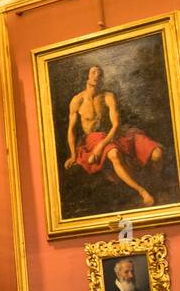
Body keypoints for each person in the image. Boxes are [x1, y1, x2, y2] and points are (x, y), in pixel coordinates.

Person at [65, 65, 163, 207]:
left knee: (157, 154)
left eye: (100, 73)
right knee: (114, 154)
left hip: (114, 135)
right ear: (87, 76)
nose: (96, 76)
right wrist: (73, 155)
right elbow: (71, 130)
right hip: (92, 138)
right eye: (93, 72)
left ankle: (155, 183)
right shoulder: (77, 100)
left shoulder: (108, 97)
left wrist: (101, 146)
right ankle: (142, 191)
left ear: (103, 78)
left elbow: (116, 125)